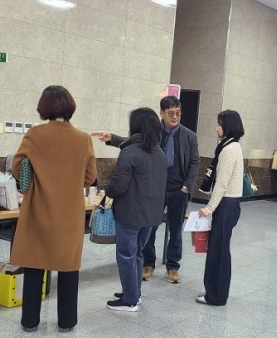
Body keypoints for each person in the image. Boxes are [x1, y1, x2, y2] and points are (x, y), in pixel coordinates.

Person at [10, 86, 96, 332]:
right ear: (70, 107)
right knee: (69, 266)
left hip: (38, 207)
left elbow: (17, 167)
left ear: (43, 107)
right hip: (70, 211)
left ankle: (30, 321)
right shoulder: (83, 138)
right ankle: (67, 321)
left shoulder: (34, 135)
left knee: (34, 263)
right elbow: (90, 177)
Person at [97, 108, 166, 312]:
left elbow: (119, 185)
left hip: (131, 212)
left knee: (126, 254)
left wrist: (107, 189)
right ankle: (134, 293)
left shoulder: (130, 152)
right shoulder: (158, 152)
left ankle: (129, 300)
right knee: (137, 253)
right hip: (151, 213)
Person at [140, 96, 199, 284]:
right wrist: (112, 139)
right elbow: (133, 144)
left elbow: (194, 162)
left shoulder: (189, 136)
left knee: (176, 230)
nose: (175, 117)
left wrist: (187, 186)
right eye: (171, 113)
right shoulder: (152, 133)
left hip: (179, 190)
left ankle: (173, 267)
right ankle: (148, 263)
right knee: (150, 228)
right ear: (162, 113)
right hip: (155, 189)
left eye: (178, 113)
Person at [197, 110, 245, 306]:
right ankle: (216, 293)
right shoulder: (233, 146)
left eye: (219, 124)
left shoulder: (228, 149)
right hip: (229, 205)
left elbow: (222, 184)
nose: (216, 128)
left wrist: (209, 208)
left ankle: (215, 296)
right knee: (220, 250)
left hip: (225, 205)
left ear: (228, 126)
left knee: (218, 251)